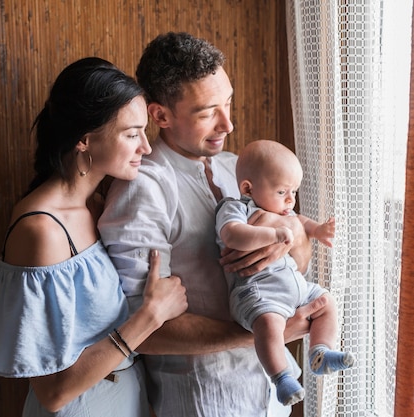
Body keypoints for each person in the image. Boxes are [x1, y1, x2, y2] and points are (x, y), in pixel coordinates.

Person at [98, 32, 327, 417]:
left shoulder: (239, 168)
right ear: (160, 115)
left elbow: (299, 257)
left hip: (273, 400)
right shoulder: (143, 191)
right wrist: (264, 333)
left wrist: (289, 240)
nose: (229, 123)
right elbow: (140, 329)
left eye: (228, 102)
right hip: (205, 402)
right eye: (207, 112)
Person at [0, 57, 188, 417]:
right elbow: (53, 392)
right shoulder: (41, 231)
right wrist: (149, 316)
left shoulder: (96, 206)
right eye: (131, 133)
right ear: (85, 140)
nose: (146, 147)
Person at [215, 139, 355, 406]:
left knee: (327, 303)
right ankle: (281, 377)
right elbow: (232, 234)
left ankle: (320, 352)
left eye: (294, 191)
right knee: (269, 324)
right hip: (258, 292)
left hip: (296, 287)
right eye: (282, 192)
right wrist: (273, 234)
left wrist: (318, 230)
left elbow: (301, 222)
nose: (291, 200)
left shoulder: (284, 211)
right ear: (248, 188)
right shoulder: (236, 208)